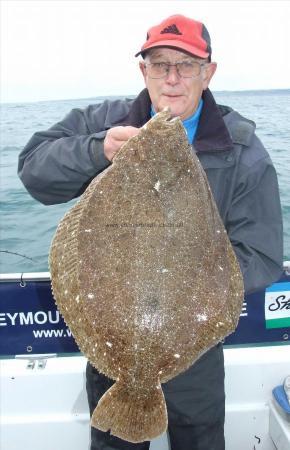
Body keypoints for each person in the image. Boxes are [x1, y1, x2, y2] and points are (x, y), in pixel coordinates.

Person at [18, 14, 283, 450]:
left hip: (193, 351)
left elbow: (264, 254)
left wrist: (196, 284)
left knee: (200, 440)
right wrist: (96, 149)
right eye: (159, 64)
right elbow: (33, 171)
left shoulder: (242, 150)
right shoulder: (104, 119)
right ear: (143, 71)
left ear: (208, 72)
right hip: (112, 344)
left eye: (186, 65)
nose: (172, 78)